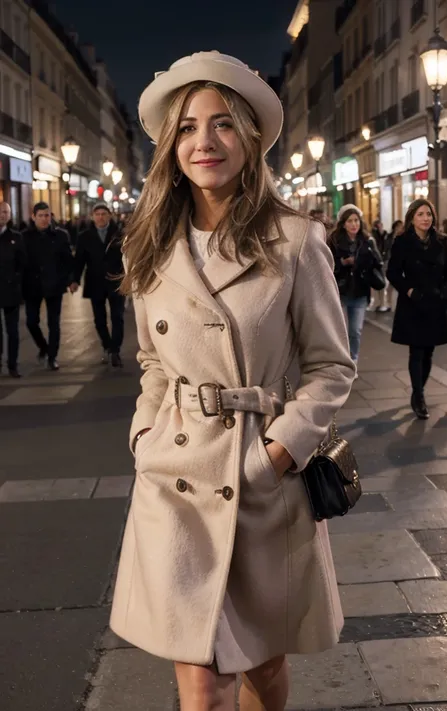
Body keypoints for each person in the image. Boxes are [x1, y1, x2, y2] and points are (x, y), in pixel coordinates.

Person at [109, 51, 355, 711]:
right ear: (169, 146)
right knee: (200, 682)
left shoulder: (295, 241)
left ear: (248, 137)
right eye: (187, 127)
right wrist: (144, 435)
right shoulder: (149, 243)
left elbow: (333, 365)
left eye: (221, 124)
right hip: (177, 475)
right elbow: (153, 363)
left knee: (264, 668)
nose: (204, 142)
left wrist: (277, 453)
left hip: (260, 478)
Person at [387, 199, 447, 420]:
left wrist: (445, 291)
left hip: (435, 303)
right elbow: (393, 272)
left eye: (428, 214)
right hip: (413, 304)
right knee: (416, 351)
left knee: (429, 352)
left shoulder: (442, 241)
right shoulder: (402, 242)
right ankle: (419, 396)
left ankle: (419, 392)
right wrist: (408, 291)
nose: (426, 218)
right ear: (412, 218)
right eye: (420, 214)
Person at [71, 203, 125, 367]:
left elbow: (127, 258)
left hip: (116, 281)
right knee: (99, 319)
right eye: (97, 214)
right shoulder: (85, 236)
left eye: (103, 214)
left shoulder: (119, 234)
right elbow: (79, 260)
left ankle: (115, 350)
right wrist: (74, 280)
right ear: (92, 217)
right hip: (95, 282)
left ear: (109, 216)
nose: (100, 217)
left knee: (118, 317)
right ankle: (107, 345)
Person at [329, 204, 383, 371]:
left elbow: (377, 262)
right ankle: (342, 362)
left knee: (355, 331)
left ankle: (353, 362)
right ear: (343, 223)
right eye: (350, 221)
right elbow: (326, 264)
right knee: (341, 331)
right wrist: (342, 263)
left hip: (360, 291)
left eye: (356, 220)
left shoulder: (367, 241)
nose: (354, 224)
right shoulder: (334, 241)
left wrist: (365, 262)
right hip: (341, 291)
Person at [22, 202, 74, 371]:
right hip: (32, 286)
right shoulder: (25, 237)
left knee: (54, 324)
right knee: (31, 321)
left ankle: (52, 357)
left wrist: (69, 280)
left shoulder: (60, 235)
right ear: (33, 217)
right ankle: (43, 347)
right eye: (41, 216)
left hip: (54, 284)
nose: (44, 219)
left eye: (47, 215)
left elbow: (67, 261)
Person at [0, 202, 25, 377]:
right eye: (0, 212)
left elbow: (23, 264)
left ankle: (13, 364)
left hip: (10, 290)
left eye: (5, 212)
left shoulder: (16, 237)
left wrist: (16, 279)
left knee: (13, 330)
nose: (2, 215)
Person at [384, 220, 404, 311]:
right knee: (391, 284)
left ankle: (392, 304)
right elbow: (387, 247)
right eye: (398, 225)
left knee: (393, 285)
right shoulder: (390, 236)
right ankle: (389, 303)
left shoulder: (404, 236)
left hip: (400, 263)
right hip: (390, 260)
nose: (400, 227)